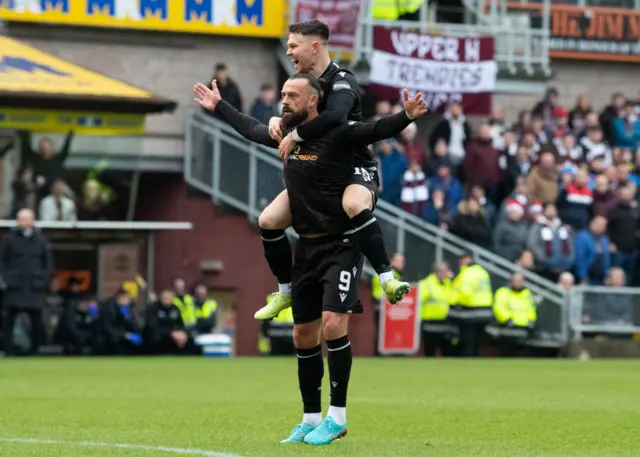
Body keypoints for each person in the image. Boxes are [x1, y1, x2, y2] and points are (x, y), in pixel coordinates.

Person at [194, 72, 426, 445]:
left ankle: (338, 417)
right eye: (283, 94)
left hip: (342, 246)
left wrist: (408, 115)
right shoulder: (285, 134)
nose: (284, 101)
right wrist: (218, 105)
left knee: (334, 324)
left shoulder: (335, 133)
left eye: (292, 96)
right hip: (307, 246)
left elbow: (373, 129)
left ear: (313, 100)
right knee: (302, 335)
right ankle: (309, 418)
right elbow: (251, 129)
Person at [253, 20, 410, 321]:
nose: (288, 52)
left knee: (352, 204)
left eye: (293, 46)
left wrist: (295, 135)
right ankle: (285, 290)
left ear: (315, 47)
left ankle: (387, 277)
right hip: (317, 172)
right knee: (269, 220)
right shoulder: (300, 82)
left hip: (353, 168)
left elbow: (337, 118)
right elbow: (287, 116)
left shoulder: (341, 80)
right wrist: (278, 121)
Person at [0, 208, 52, 356]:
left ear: (32, 220)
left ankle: (35, 349)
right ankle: (8, 349)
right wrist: (7, 279)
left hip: (34, 286)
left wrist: (42, 279)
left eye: (26, 219)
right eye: (20, 219)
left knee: (36, 320)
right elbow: (2, 261)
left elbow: (47, 263)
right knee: (9, 319)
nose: (23, 222)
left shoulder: (41, 240)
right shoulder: (9, 239)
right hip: (14, 286)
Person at [145, 289, 191, 355]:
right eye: (166, 298)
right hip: (159, 334)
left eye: (170, 298)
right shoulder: (154, 308)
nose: (168, 299)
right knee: (156, 338)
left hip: (174, 334)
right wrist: (171, 333)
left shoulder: (175, 308)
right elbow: (153, 327)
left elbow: (181, 323)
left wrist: (182, 333)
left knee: (189, 338)